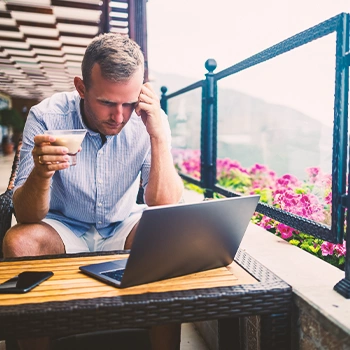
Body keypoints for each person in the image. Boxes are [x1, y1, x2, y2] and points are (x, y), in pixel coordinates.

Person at [3, 33, 184, 350]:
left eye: (128, 103)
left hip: (121, 221)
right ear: (81, 87)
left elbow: (163, 203)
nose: (119, 116)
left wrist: (159, 137)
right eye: (107, 103)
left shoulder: (147, 119)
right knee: (19, 242)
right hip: (62, 226)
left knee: (167, 237)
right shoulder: (46, 116)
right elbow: (27, 215)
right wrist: (43, 173)